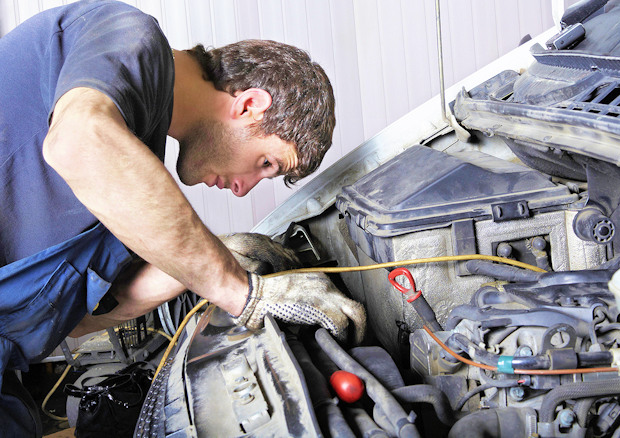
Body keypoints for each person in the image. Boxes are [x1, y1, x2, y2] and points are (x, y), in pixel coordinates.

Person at [0, 0, 365, 434]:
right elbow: (79, 143)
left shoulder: (130, 166)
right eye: (267, 163)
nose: (243, 188)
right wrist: (238, 291)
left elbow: (80, 320)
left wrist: (213, 260)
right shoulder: (131, 36)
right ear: (249, 105)